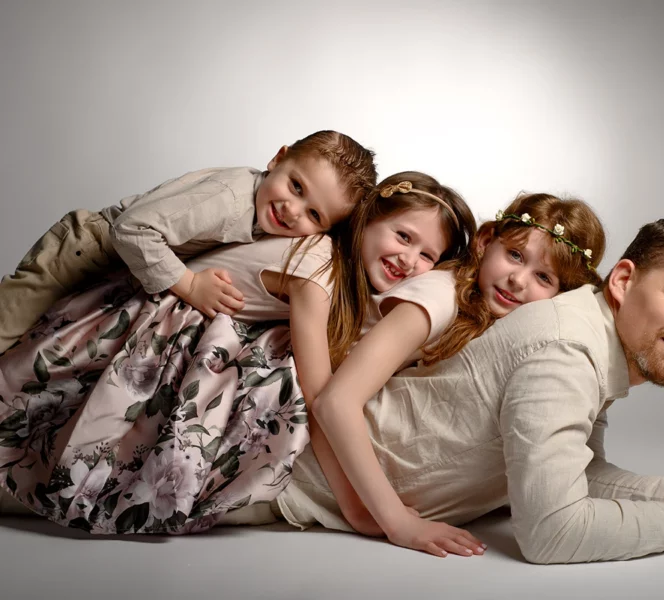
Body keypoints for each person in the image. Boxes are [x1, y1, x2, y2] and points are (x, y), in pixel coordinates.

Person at [228, 217, 664, 564]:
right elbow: (552, 531)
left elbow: (571, 471)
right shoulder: (568, 350)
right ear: (624, 280)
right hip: (269, 467)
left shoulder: (592, 335)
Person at [0, 170, 477, 537]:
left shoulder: (344, 278)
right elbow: (321, 399)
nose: (410, 260)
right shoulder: (319, 269)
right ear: (367, 222)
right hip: (143, 321)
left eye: (427, 256)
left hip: (174, 322)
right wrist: (367, 511)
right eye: (403, 236)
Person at [310, 192, 606, 557]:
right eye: (514, 255)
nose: (517, 280)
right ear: (484, 242)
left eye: (543, 277)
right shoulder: (440, 296)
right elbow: (335, 401)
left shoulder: (482, 316)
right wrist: (393, 521)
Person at [0, 129, 377, 355]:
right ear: (278, 158)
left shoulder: (270, 219)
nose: (293, 211)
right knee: (7, 326)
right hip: (84, 248)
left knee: (29, 345)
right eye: (296, 186)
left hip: (112, 265)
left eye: (314, 216)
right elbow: (131, 229)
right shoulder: (228, 199)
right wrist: (190, 284)